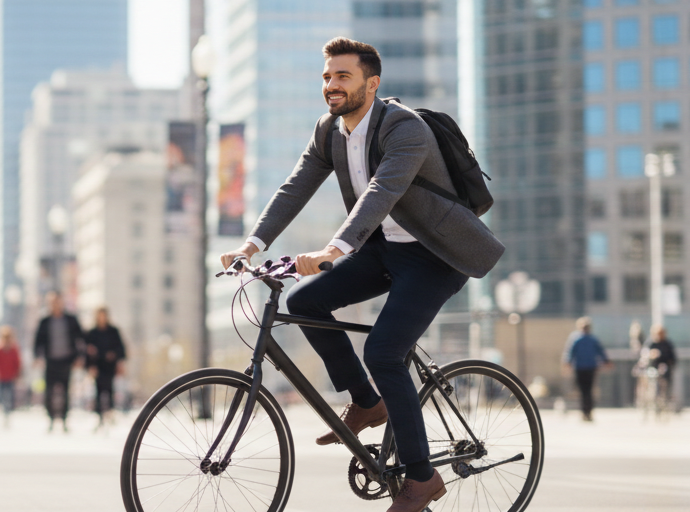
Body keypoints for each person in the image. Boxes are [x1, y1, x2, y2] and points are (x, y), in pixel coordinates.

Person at [215, 37, 502, 511]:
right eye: (327, 76)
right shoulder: (329, 130)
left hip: (436, 254)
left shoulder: (405, 128)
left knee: (385, 351)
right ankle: (368, 404)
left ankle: (422, 478)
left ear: (372, 83)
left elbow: (381, 193)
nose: (331, 85)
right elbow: (294, 188)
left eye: (343, 76)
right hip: (384, 249)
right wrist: (251, 245)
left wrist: (334, 249)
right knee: (304, 302)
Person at [32, 290, 86, 434]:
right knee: (49, 391)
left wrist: (80, 357)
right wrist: (37, 357)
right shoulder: (45, 320)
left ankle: (64, 420)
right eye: (52, 301)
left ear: (62, 302)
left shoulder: (71, 319)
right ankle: (50, 419)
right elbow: (38, 341)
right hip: (50, 361)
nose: (55, 304)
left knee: (66, 391)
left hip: (67, 361)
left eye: (57, 301)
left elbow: (81, 339)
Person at [83, 307, 127, 433]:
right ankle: (100, 417)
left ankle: (110, 414)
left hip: (110, 367)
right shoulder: (92, 333)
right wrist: (90, 366)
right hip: (97, 367)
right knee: (98, 392)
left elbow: (121, 349)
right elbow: (86, 351)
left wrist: (116, 357)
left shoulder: (113, 331)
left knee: (109, 390)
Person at [561, 317, 610, 423]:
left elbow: (600, 351)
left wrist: (606, 361)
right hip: (581, 368)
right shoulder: (578, 339)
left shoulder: (591, 339)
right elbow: (570, 353)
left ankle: (587, 412)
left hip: (589, 368)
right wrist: (567, 364)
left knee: (587, 391)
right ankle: (585, 412)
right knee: (585, 391)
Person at [0, 326, 23, 428]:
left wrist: (18, 373)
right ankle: (4, 412)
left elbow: (18, 362)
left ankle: (7, 413)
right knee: (1, 395)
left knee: (10, 396)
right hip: (0, 376)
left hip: (11, 376)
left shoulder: (14, 348)